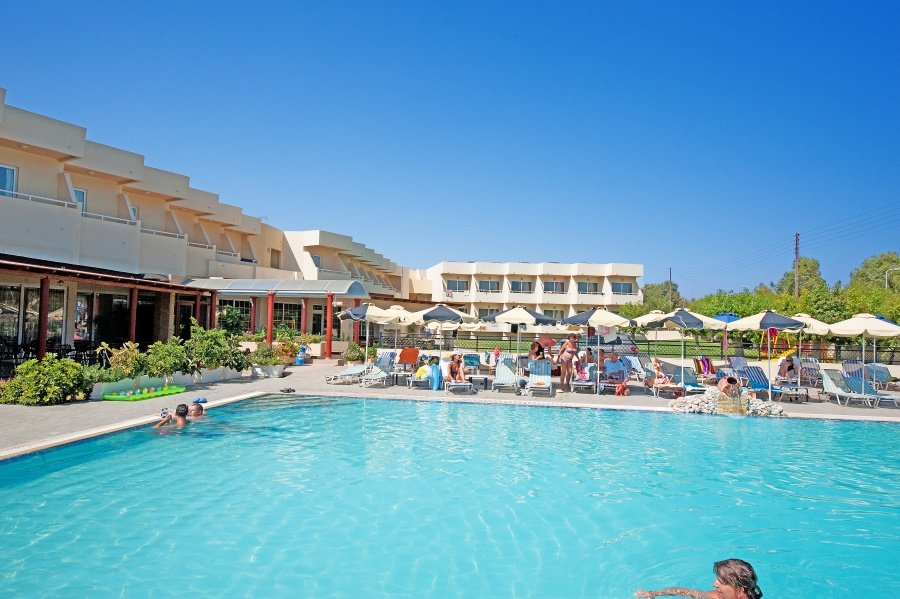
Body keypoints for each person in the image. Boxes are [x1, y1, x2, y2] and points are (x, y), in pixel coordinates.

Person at [635, 558, 763, 599]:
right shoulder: (717, 597)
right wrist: (654, 593)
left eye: (722, 582)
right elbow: (687, 592)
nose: (714, 584)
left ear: (740, 591)